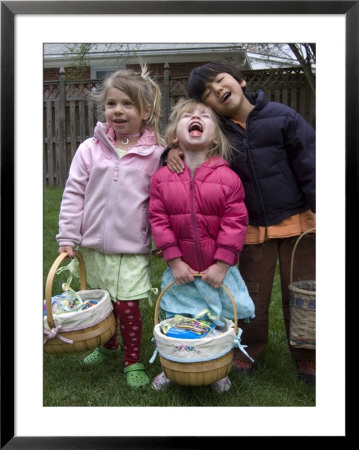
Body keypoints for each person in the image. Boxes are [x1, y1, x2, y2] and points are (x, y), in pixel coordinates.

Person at [166, 62, 316, 386]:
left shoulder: (282, 117)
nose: (216, 90)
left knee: (305, 294)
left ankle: (310, 357)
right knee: (251, 296)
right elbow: (191, 143)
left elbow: (310, 162)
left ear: (240, 80)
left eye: (220, 80)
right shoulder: (218, 131)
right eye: (206, 93)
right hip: (251, 229)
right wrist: (170, 152)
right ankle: (245, 351)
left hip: (298, 223)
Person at [56, 67, 164, 388]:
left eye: (128, 104)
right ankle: (108, 345)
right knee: (101, 304)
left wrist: (161, 238)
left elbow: (160, 202)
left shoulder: (155, 154)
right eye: (112, 103)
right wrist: (68, 235)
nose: (118, 110)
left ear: (145, 111)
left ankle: (132, 360)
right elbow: (74, 192)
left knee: (128, 306)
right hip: (93, 246)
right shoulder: (90, 149)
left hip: (131, 249)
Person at [149, 98, 255, 393]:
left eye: (204, 116)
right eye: (188, 116)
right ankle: (173, 365)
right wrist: (173, 261)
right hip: (181, 270)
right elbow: (158, 220)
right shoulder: (161, 179)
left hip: (216, 272)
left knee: (219, 321)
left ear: (215, 138)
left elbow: (235, 223)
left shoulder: (228, 179)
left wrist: (222, 264)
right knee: (177, 319)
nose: (196, 117)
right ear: (174, 137)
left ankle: (217, 366)